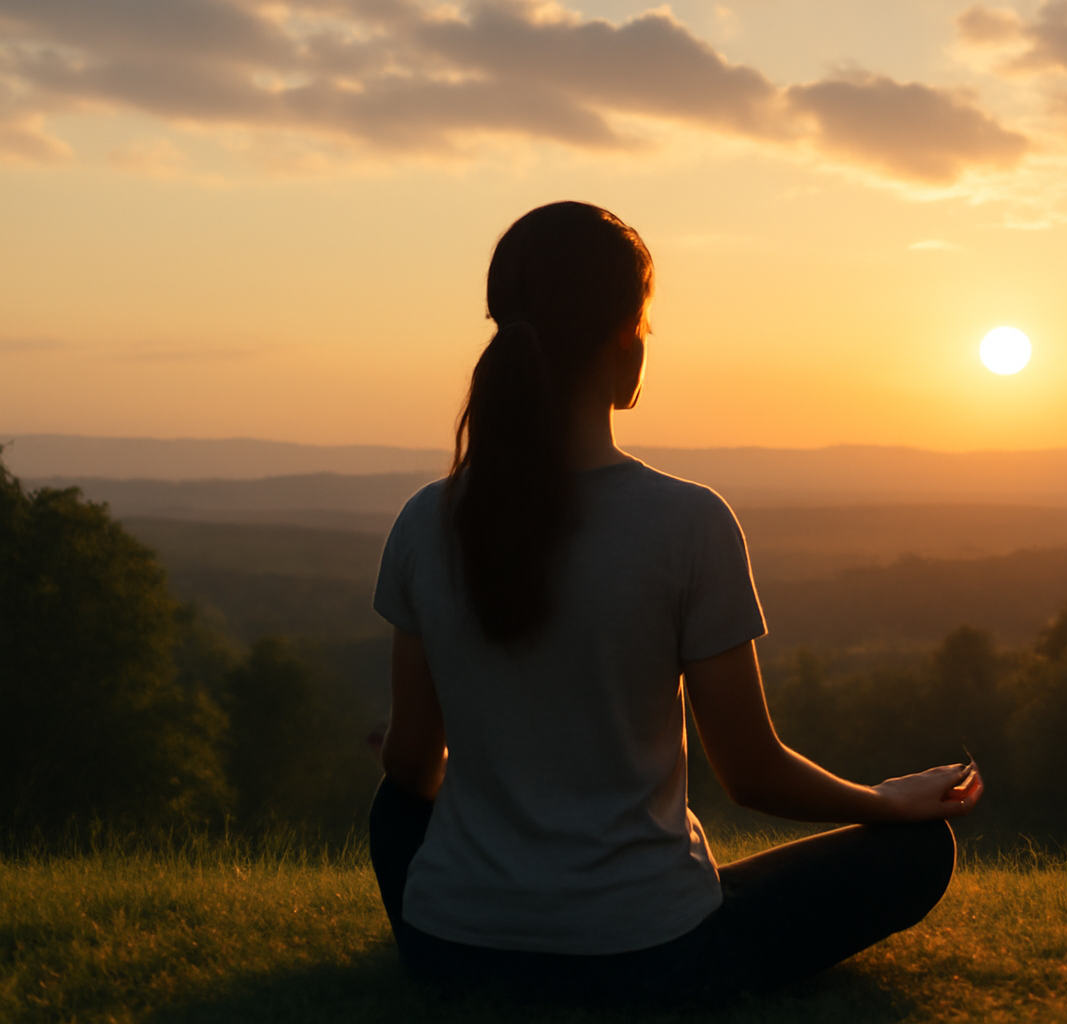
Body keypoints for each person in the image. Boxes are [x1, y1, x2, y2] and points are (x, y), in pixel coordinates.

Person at [368, 200, 982, 1005]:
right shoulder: (688, 522)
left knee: (395, 806)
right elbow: (751, 774)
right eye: (646, 324)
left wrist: (489, 789)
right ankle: (642, 895)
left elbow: (412, 766)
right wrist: (883, 802)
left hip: (450, 950)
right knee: (916, 853)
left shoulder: (426, 519)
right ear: (625, 333)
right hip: (646, 958)